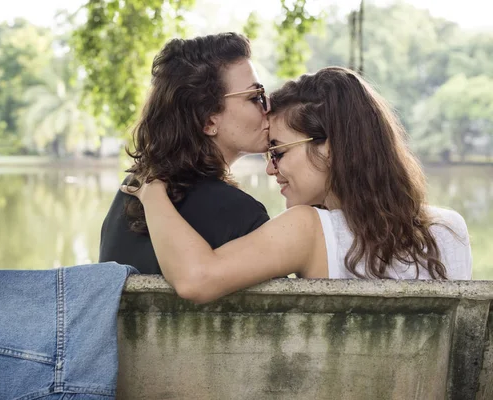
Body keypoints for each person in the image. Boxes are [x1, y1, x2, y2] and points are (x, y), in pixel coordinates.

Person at [121, 66, 472, 303]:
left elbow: (195, 279)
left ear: (329, 149)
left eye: (278, 151)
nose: (271, 169)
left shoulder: (308, 229)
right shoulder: (450, 228)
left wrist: (151, 191)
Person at [99, 32, 272, 274]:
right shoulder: (242, 214)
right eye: (255, 97)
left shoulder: (131, 193)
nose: (268, 108)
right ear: (208, 121)